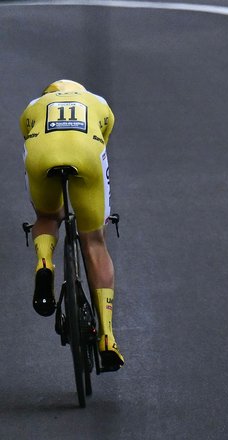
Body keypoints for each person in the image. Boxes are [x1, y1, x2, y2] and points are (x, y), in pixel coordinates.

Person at [20, 79, 124, 371]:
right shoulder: (99, 102)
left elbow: (27, 136)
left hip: (42, 155)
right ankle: (107, 336)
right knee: (94, 240)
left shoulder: (33, 106)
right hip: (86, 155)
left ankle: (44, 262)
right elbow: (103, 142)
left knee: (47, 216)